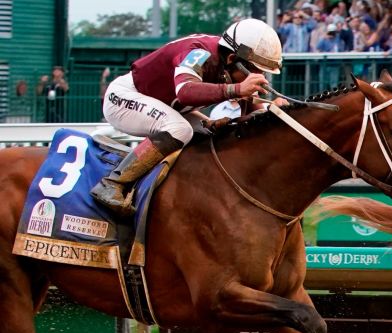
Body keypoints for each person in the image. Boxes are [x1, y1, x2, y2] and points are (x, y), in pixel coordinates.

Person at [91, 18, 281, 217]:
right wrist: (237, 89)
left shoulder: (230, 64)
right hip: (124, 98)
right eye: (255, 70)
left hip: (166, 107)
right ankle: (112, 183)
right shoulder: (199, 52)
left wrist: (274, 112)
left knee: (214, 131)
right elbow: (185, 91)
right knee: (180, 129)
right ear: (232, 59)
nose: (260, 76)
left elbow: (251, 114)